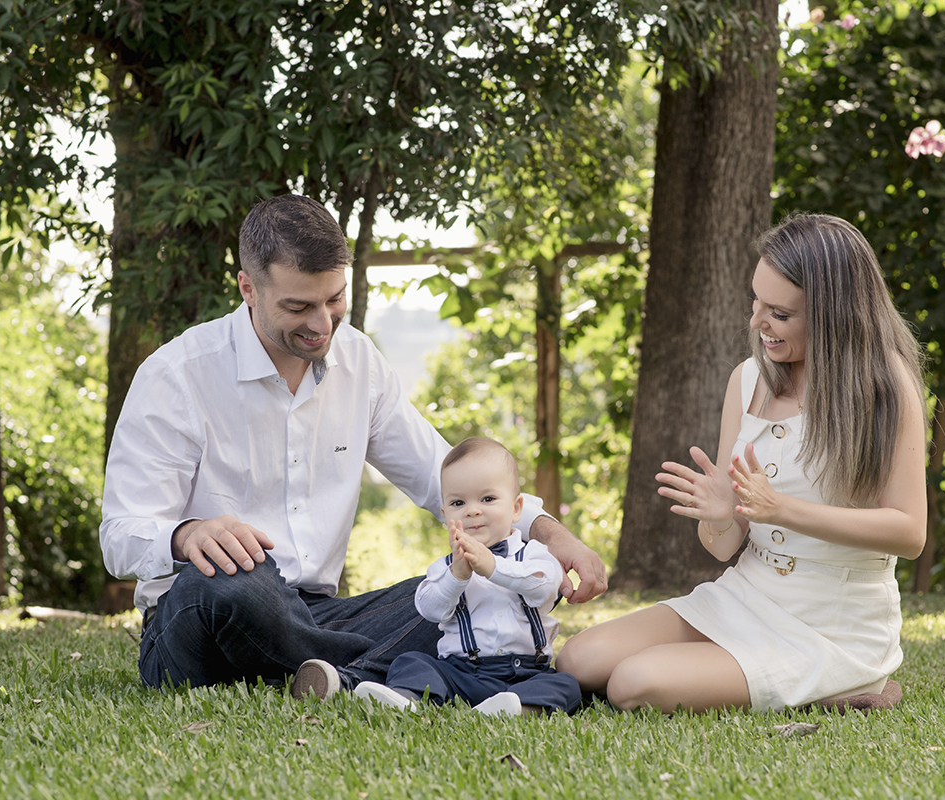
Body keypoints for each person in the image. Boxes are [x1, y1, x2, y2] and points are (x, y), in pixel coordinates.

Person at [99, 195, 606, 695]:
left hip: (323, 615)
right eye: (298, 306)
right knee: (232, 580)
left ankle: (335, 676)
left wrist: (549, 533)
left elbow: (442, 478)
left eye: (333, 300)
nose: (322, 325)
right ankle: (370, 667)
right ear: (248, 288)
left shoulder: (359, 361)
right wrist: (187, 535)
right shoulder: (175, 375)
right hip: (208, 613)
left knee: (475, 580)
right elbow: (119, 535)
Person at [555, 213, 928, 713]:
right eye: (756, 302)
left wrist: (782, 510)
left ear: (833, 314)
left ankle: (849, 681)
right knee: (577, 660)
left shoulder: (885, 387)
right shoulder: (748, 380)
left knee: (632, 684)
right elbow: (725, 546)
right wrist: (720, 516)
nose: (757, 322)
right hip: (747, 594)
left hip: (833, 623)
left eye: (780, 313)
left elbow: (909, 533)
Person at [348, 437, 582, 716]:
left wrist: (493, 567)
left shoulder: (533, 554)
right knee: (411, 661)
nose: (473, 510)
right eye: (458, 503)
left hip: (527, 673)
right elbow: (429, 608)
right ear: (446, 515)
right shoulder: (445, 567)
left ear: (516, 508)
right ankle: (407, 700)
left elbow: (545, 586)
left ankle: (519, 708)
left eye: (488, 499)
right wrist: (456, 577)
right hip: (462, 673)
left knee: (566, 684)